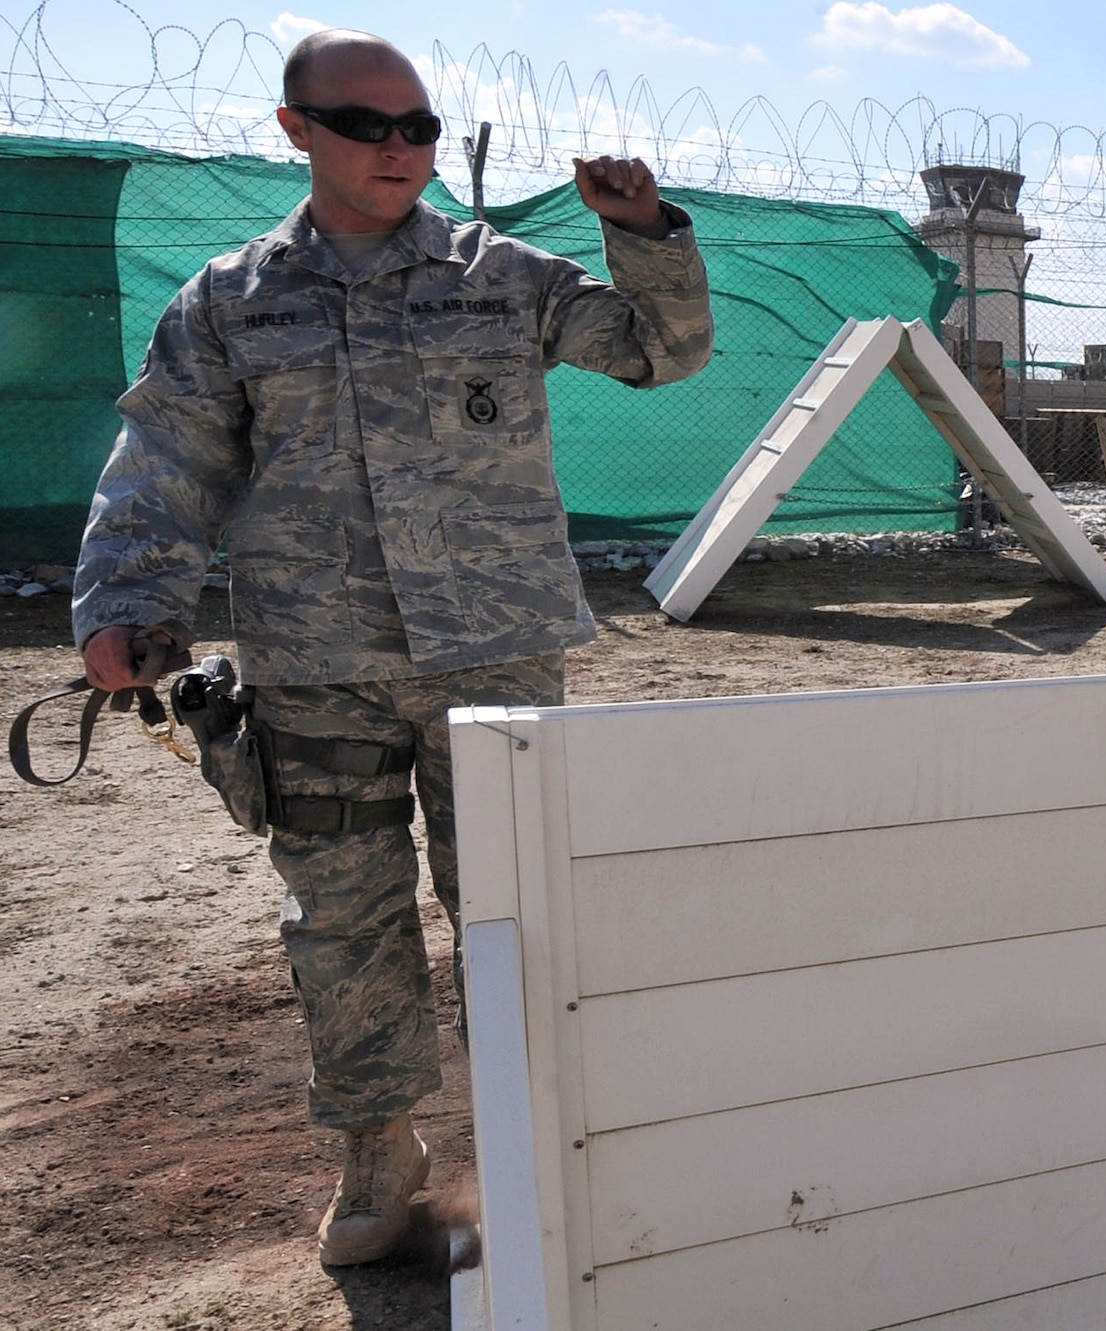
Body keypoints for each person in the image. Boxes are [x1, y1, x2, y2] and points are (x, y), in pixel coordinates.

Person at [69, 29, 712, 1267]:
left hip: (497, 658)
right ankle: (379, 1152)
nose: (399, 149)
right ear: (294, 128)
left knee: (521, 911)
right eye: (367, 126)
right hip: (316, 664)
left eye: (417, 126)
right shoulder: (230, 299)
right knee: (342, 923)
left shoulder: (503, 274)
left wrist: (643, 233)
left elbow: (661, 351)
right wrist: (126, 603)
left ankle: (541, 1144)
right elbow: (170, 462)